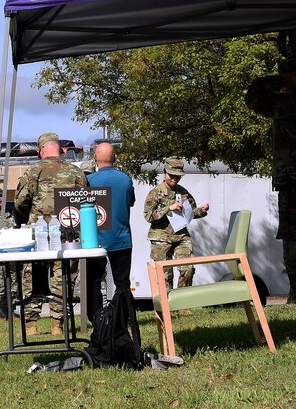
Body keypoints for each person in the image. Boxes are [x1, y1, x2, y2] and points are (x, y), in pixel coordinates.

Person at [13, 131, 88, 335]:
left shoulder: (33, 171)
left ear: (41, 150)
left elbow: (20, 202)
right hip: (68, 232)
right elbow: (85, 202)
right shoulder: (76, 172)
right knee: (63, 277)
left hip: (37, 233)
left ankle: (31, 325)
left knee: (32, 276)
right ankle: (58, 324)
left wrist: (34, 214)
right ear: (61, 149)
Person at [245, 57, 296, 303]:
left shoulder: (289, 105)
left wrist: (279, 80)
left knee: (292, 237)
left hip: (293, 182)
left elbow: (253, 97)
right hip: (290, 181)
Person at [142, 157, 209, 297]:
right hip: (161, 239)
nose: (174, 179)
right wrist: (168, 208)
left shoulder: (183, 192)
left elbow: (190, 213)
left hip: (181, 237)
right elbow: (148, 216)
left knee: (188, 269)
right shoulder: (155, 193)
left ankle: (182, 302)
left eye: (178, 176)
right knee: (165, 276)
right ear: (164, 173)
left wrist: (202, 210)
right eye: (171, 175)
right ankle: (167, 305)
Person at [86, 141, 136, 320]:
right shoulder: (126, 179)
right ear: (115, 157)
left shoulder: (89, 181)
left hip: (95, 240)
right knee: (122, 284)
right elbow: (131, 201)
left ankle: (97, 319)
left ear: (95, 158)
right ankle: (123, 318)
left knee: (93, 282)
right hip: (122, 239)